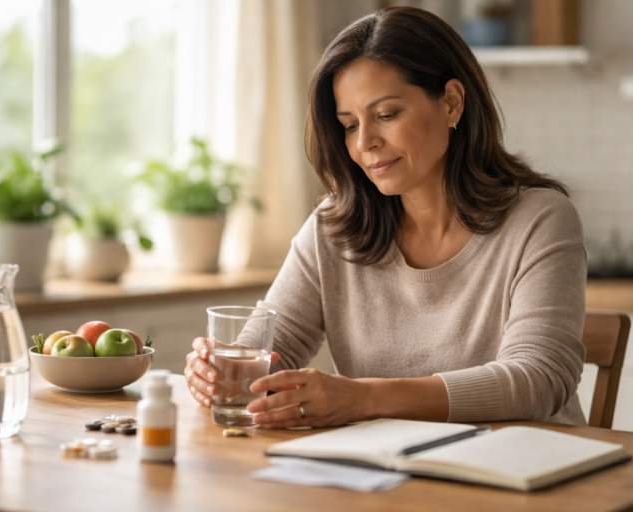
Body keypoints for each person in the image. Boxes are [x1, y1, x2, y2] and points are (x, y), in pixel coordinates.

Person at [184, 6, 587, 429]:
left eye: (386, 115)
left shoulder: (540, 220)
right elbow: (267, 351)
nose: (365, 143)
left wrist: (364, 398)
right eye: (348, 124)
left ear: (451, 102)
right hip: (385, 478)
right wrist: (218, 371)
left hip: (523, 475)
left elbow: (539, 379)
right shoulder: (334, 226)